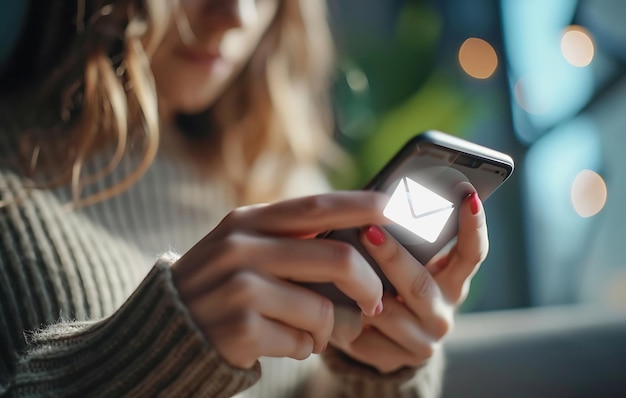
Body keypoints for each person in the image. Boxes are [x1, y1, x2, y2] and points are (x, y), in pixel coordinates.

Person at [0, 0, 488, 397]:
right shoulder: (13, 189)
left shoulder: (286, 176)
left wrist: (380, 375)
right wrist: (163, 348)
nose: (238, 14)